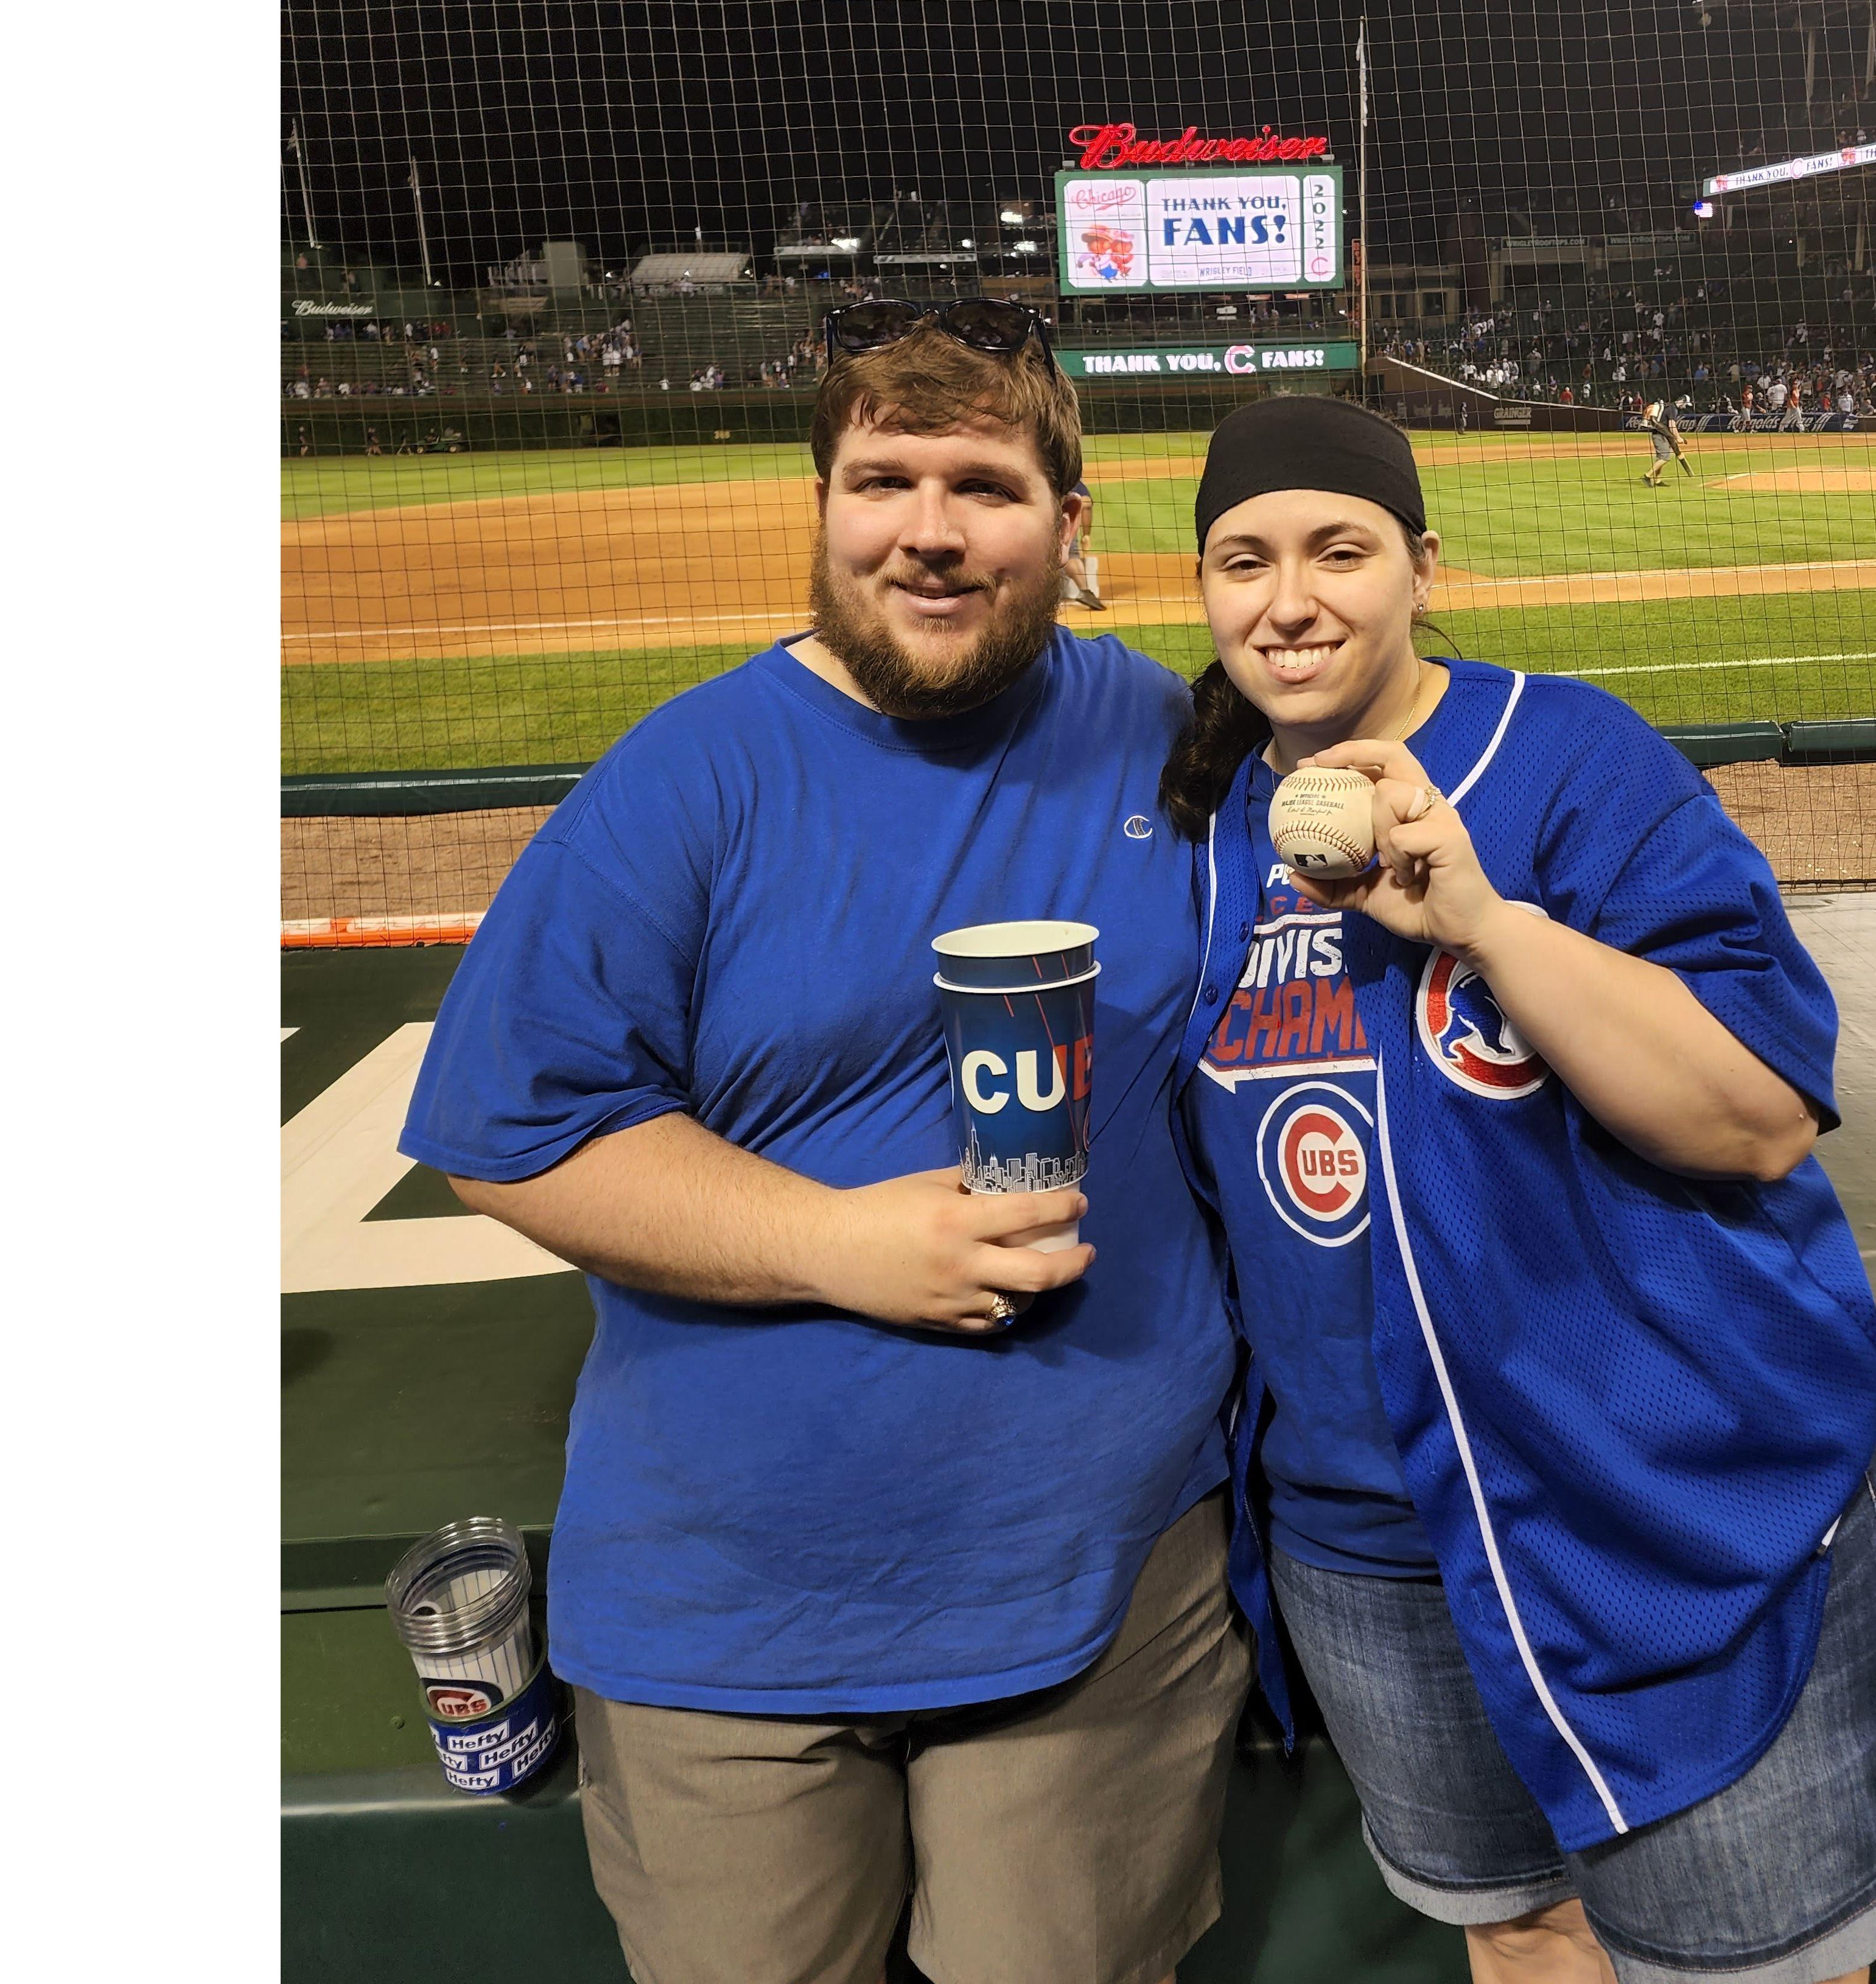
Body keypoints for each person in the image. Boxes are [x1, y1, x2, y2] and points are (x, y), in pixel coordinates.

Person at [401, 301, 1248, 1984]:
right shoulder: (685, 779)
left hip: (1097, 1583)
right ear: (822, 509)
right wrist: (833, 1241)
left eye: (984, 487)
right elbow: (506, 1131)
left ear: (1071, 530)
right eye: (883, 480)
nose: (929, 531)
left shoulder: (1184, 752)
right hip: (728, 1610)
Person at [1154, 399, 1876, 1984]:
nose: (1290, 599)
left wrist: (1490, 927)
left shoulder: (1570, 761)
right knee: (1521, 1942)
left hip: (1658, 1507)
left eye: (1339, 551)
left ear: (1425, 567)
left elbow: (1760, 1114)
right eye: (1246, 560)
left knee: (1769, 1965)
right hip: (1369, 1542)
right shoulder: (1200, 825)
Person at [1059, 475, 1108, 609]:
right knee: (1069, 554)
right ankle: (1085, 591)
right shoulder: (1072, 480)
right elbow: (1086, 504)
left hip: (1033, 524)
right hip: (1061, 524)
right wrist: (1086, 535)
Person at [1638, 397, 1692, 487]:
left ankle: (1657, 480)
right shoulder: (1673, 409)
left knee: (1661, 458)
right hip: (1660, 435)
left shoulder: (1670, 407)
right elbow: (1672, 426)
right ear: (1682, 402)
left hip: (1661, 434)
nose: (1685, 407)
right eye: (1686, 405)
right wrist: (1678, 438)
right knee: (1665, 458)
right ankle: (1647, 476)